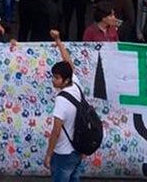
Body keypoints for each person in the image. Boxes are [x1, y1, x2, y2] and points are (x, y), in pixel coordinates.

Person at [45, 30, 85, 182]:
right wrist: (58, 41)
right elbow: (68, 63)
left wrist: (49, 154)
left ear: (65, 80)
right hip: (78, 149)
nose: (53, 80)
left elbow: (56, 131)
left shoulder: (61, 100)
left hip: (63, 153)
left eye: (56, 78)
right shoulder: (75, 85)